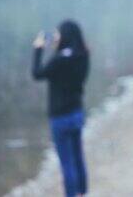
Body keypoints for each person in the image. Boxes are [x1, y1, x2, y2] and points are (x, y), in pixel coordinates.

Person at [32, 20, 90, 197]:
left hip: (60, 117)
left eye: (57, 34)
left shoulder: (59, 61)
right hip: (77, 113)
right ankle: (83, 192)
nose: (55, 38)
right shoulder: (83, 55)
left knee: (67, 163)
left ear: (65, 36)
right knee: (78, 156)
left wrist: (38, 49)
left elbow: (37, 73)